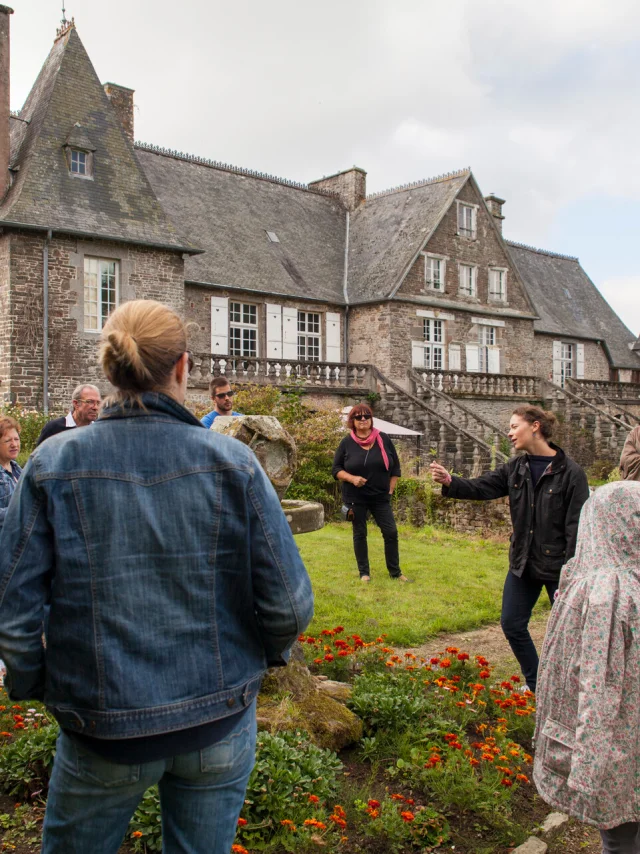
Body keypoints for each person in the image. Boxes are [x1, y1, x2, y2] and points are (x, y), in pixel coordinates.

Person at [0, 299, 313, 854]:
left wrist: (35, 684)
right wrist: (255, 663)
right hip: (216, 720)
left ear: (111, 370)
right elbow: (289, 605)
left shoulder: (52, 464)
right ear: (183, 368)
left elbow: (14, 612)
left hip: (102, 724)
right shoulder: (234, 464)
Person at [430, 405, 589, 693]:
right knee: (512, 624)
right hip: (523, 562)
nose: (509, 432)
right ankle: (538, 684)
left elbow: (576, 529)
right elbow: (482, 487)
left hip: (559, 569)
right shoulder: (517, 468)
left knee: (571, 633)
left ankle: (577, 689)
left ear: (535, 426)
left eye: (515, 426)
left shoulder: (571, 474)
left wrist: (571, 575)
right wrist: (450, 481)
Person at [533, 481, 640, 853]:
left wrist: (586, 770)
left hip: (617, 754)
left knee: (619, 835)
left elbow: (596, 685)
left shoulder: (605, 595)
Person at [332, 402, 411, 583]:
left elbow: (395, 466)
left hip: (380, 497)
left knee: (390, 532)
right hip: (355, 497)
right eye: (358, 417)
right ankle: (364, 573)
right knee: (360, 533)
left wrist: (391, 487)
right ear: (352, 421)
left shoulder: (383, 439)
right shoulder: (346, 442)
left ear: (371, 419)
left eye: (366, 416)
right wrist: (352, 478)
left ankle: (395, 572)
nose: (363, 420)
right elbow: (336, 469)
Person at [35, 383, 102, 445]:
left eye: (98, 403)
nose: (95, 407)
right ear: (76, 404)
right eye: (90, 402)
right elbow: (40, 456)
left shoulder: (99, 431)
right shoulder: (54, 428)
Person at [0, 415, 21, 528]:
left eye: (16, 439)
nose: (14, 444)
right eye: (8, 441)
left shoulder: (18, 470)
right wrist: (22, 513)